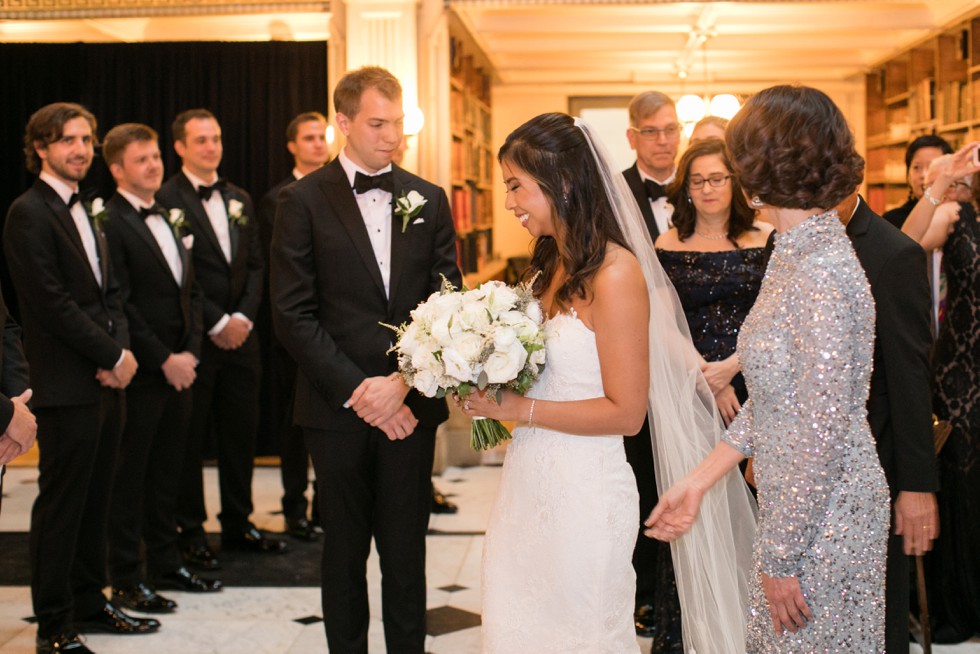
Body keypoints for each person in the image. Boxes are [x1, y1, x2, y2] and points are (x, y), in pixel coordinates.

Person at [461, 112, 755, 652]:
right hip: (527, 482)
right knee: (515, 625)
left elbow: (627, 413)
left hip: (586, 493)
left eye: (515, 186)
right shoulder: (547, 264)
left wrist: (516, 408)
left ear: (561, 182)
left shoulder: (616, 273)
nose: (509, 203)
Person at [646, 85, 890, 652]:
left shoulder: (821, 270)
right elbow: (779, 399)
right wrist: (699, 482)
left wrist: (781, 552)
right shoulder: (793, 247)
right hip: (794, 507)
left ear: (764, 162)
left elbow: (819, 434)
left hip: (825, 515)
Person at [270, 66, 461, 652]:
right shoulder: (300, 201)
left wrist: (401, 384)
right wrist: (363, 392)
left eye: (399, 124)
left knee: (407, 555)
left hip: (411, 405)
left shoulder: (428, 198)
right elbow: (292, 314)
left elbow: (447, 306)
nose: (392, 136)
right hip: (335, 411)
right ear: (344, 122)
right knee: (343, 554)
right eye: (378, 124)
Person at [4, 102, 157, 654]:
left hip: (103, 377)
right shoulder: (28, 212)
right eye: (67, 140)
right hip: (64, 383)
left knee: (99, 498)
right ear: (41, 148)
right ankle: (53, 623)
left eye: (87, 139)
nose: (80, 149)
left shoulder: (89, 209)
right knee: (62, 504)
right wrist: (111, 354)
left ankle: (91, 602)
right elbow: (49, 303)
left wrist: (118, 352)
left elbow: (109, 291)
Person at [102, 123, 222, 614]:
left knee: (170, 472)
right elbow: (121, 304)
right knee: (132, 478)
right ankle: (127, 577)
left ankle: (167, 561)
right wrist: (164, 359)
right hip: (144, 373)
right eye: (141, 160)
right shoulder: (108, 220)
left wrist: (191, 350)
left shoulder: (171, 216)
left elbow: (190, 291)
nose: (153, 166)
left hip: (181, 366)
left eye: (155, 157)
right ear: (116, 170)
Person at [158, 108, 286, 570]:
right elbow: (179, 277)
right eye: (200, 141)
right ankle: (190, 530)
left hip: (242, 339)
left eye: (215, 139)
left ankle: (238, 522)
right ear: (180, 147)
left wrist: (243, 319)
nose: (211, 147)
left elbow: (256, 265)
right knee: (189, 441)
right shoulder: (165, 199)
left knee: (240, 436)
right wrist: (215, 323)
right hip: (193, 339)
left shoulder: (239, 197)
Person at [835, 190, 938, 654]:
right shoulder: (785, 244)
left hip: (874, 466)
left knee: (876, 617)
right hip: (805, 468)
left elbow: (911, 378)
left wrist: (917, 486)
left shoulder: (894, 253)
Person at [901, 147, 980, 643]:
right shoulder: (957, 211)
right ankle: (962, 605)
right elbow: (906, 246)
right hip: (962, 374)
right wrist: (939, 183)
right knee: (965, 490)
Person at [619, 89, 683, 638]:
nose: (665, 142)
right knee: (642, 472)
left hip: (697, 357)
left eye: (672, 130)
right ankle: (644, 592)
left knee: (689, 470)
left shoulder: (704, 186)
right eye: (653, 132)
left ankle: (687, 586)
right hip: (635, 351)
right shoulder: (613, 190)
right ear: (632, 137)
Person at [257, 111, 330, 541]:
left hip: (334, 330)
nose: (318, 144)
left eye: (322, 137)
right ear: (292, 146)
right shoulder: (277, 198)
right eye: (309, 138)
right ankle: (293, 507)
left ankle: (326, 503)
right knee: (294, 425)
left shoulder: (341, 192)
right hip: (293, 334)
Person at [882, 135, 952, 229]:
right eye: (917, 167)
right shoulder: (891, 221)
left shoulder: (959, 214)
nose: (923, 175)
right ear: (908, 175)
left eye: (932, 167)